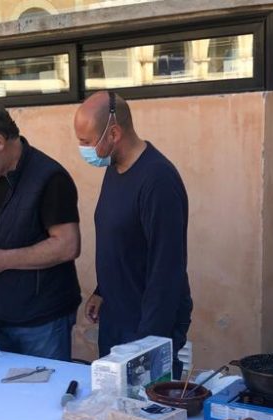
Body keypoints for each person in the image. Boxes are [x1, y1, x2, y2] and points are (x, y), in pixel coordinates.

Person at [73, 91, 193, 377]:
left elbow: (167, 268)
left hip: (147, 326)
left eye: (86, 141)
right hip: (115, 316)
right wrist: (102, 290)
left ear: (113, 133)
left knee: (144, 411)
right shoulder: (114, 168)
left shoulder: (157, 179)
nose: (82, 148)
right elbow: (121, 238)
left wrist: (147, 344)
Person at [0, 101, 82, 361]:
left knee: (43, 397)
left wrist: (2, 260)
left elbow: (67, 245)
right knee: (5, 398)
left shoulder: (50, 178)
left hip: (42, 322)